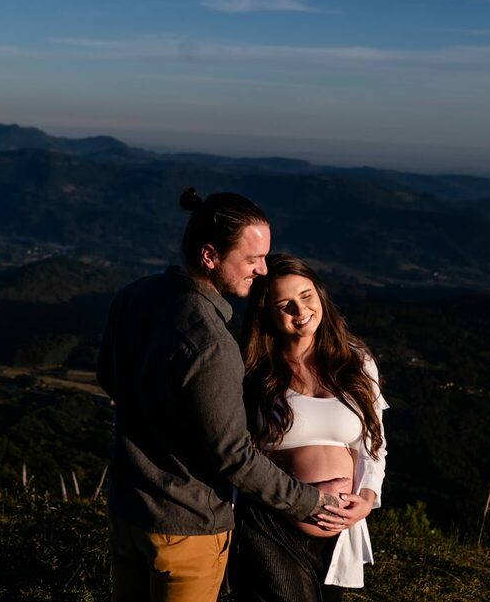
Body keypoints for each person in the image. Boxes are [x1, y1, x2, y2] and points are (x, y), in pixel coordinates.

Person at [97, 190, 353, 602]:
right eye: (252, 259)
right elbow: (234, 457)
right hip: (185, 528)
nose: (262, 270)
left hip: (128, 511)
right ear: (210, 256)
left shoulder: (135, 296)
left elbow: (109, 377)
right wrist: (313, 502)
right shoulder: (212, 342)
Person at [232, 253, 388, 602]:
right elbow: (236, 449)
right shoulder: (253, 370)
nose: (300, 310)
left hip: (340, 531)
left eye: (306, 296)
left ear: (320, 295)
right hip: (272, 523)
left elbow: (374, 445)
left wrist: (367, 499)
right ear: (267, 313)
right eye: (284, 304)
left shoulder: (356, 362)